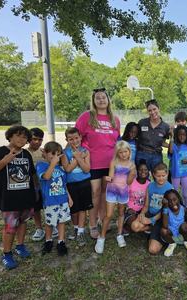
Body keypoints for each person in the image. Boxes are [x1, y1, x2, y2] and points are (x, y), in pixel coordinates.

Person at [0, 126, 36, 270]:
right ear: (10, 136)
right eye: (18, 135)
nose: (21, 139)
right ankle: (6, 254)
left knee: (23, 222)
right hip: (8, 198)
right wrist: (5, 160)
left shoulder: (26, 154)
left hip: (26, 196)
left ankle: (20, 246)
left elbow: (31, 174)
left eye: (25, 137)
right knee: (10, 227)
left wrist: (36, 192)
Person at [75, 88, 120, 240]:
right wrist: (77, 154)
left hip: (110, 163)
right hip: (93, 162)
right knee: (94, 193)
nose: (101, 100)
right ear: (94, 101)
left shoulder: (115, 119)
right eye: (98, 98)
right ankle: (92, 224)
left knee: (104, 193)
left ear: (108, 100)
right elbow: (75, 136)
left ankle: (102, 220)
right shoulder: (86, 117)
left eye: (103, 97)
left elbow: (116, 141)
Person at [95, 141, 136, 254]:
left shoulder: (132, 165)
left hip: (123, 192)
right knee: (108, 215)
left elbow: (129, 182)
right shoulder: (114, 162)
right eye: (121, 152)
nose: (123, 154)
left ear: (129, 152)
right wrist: (107, 178)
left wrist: (132, 175)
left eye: (125, 152)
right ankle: (101, 237)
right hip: (112, 191)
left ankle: (119, 234)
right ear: (117, 153)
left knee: (121, 213)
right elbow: (111, 177)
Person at [37, 141, 72, 256]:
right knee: (49, 222)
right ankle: (48, 241)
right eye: (52, 153)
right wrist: (52, 164)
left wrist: (69, 197)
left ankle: (61, 242)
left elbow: (64, 184)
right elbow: (46, 176)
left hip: (62, 200)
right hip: (50, 201)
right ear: (45, 153)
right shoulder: (41, 165)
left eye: (57, 154)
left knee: (62, 221)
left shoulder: (61, 169)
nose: (54, 157)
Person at [131, 163, 173, 254]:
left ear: (167, 174)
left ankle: (159, 236)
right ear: (153, 175)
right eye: (158, 176)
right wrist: (142, 214)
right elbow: (146, 206)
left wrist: (151, 220)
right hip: (150, 213)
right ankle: (150, 229)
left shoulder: (170, 189)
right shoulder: (150, 186)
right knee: (134, 226)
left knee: (152, 250)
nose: (161, 178)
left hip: (161, 218)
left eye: (163, 175)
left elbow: (165, 211)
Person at [61, 127, 93, 247]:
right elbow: (68, 169)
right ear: (67, 140)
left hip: (84, 182)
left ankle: (80, 231)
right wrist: (78, 158)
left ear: (80, 137)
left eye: (76, 138)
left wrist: (78, 157)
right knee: (73, 209)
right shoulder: (64, 153)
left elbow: (86, 169)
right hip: (71, 184)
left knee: (83, 209)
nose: (74, 141)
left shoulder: (86, 151)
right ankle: (75, 228)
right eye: (71, 139)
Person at [136, 99, 170, 172]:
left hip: (156, 155)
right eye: (149, 110)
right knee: (142, 179)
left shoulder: (165, 126)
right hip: (142, 154)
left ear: (159, 108)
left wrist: (173, 146)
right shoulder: (142, 122)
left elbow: (163, 142)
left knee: (158, 179)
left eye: (154, 109)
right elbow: (135, 137)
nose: (152, 112)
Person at [161, 189, 187, 257]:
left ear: (179, 199)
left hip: (182, 233)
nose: (173, 203)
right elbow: (165, 226)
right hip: (172, 235)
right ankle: (172, 244)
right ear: (166, 202)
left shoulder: (184, 209)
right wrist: (165, 207)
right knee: (163, 231)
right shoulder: (166, 210)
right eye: (169, 201)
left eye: (175, 199)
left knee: (184, 226)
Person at [26, 127, 46, 242]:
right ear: (29, 139)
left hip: (45, 185)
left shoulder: (44, 152)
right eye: (34, 139)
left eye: (40, 139)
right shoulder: (24, 153)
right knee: (36, 208)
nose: (37, 142)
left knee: (49, 205)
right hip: (32, 186)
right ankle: (39, 228)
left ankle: (52, 226)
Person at [168, 125, 187, 208]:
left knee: (185, 194)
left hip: (186, 174)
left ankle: (186, 207)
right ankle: (175, 208)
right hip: (175, 174)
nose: (182, 136)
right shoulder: (175, 146)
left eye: (184, 135)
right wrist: (172, 137)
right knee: (175, 192)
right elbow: (170, 151)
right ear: (177, 135)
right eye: (180, 134)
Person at [124, 160, 150, 233]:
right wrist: (127, 208)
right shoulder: (131, 182)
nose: (143, 172)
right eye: (140, 170)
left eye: (145, 170)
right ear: (137, 171)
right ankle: (148, 228)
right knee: (135, 225)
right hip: (131, 210)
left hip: (143, 211)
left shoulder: (149, 184)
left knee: (138, 225)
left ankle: (133, 227)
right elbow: (124, 198)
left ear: (149, 171)